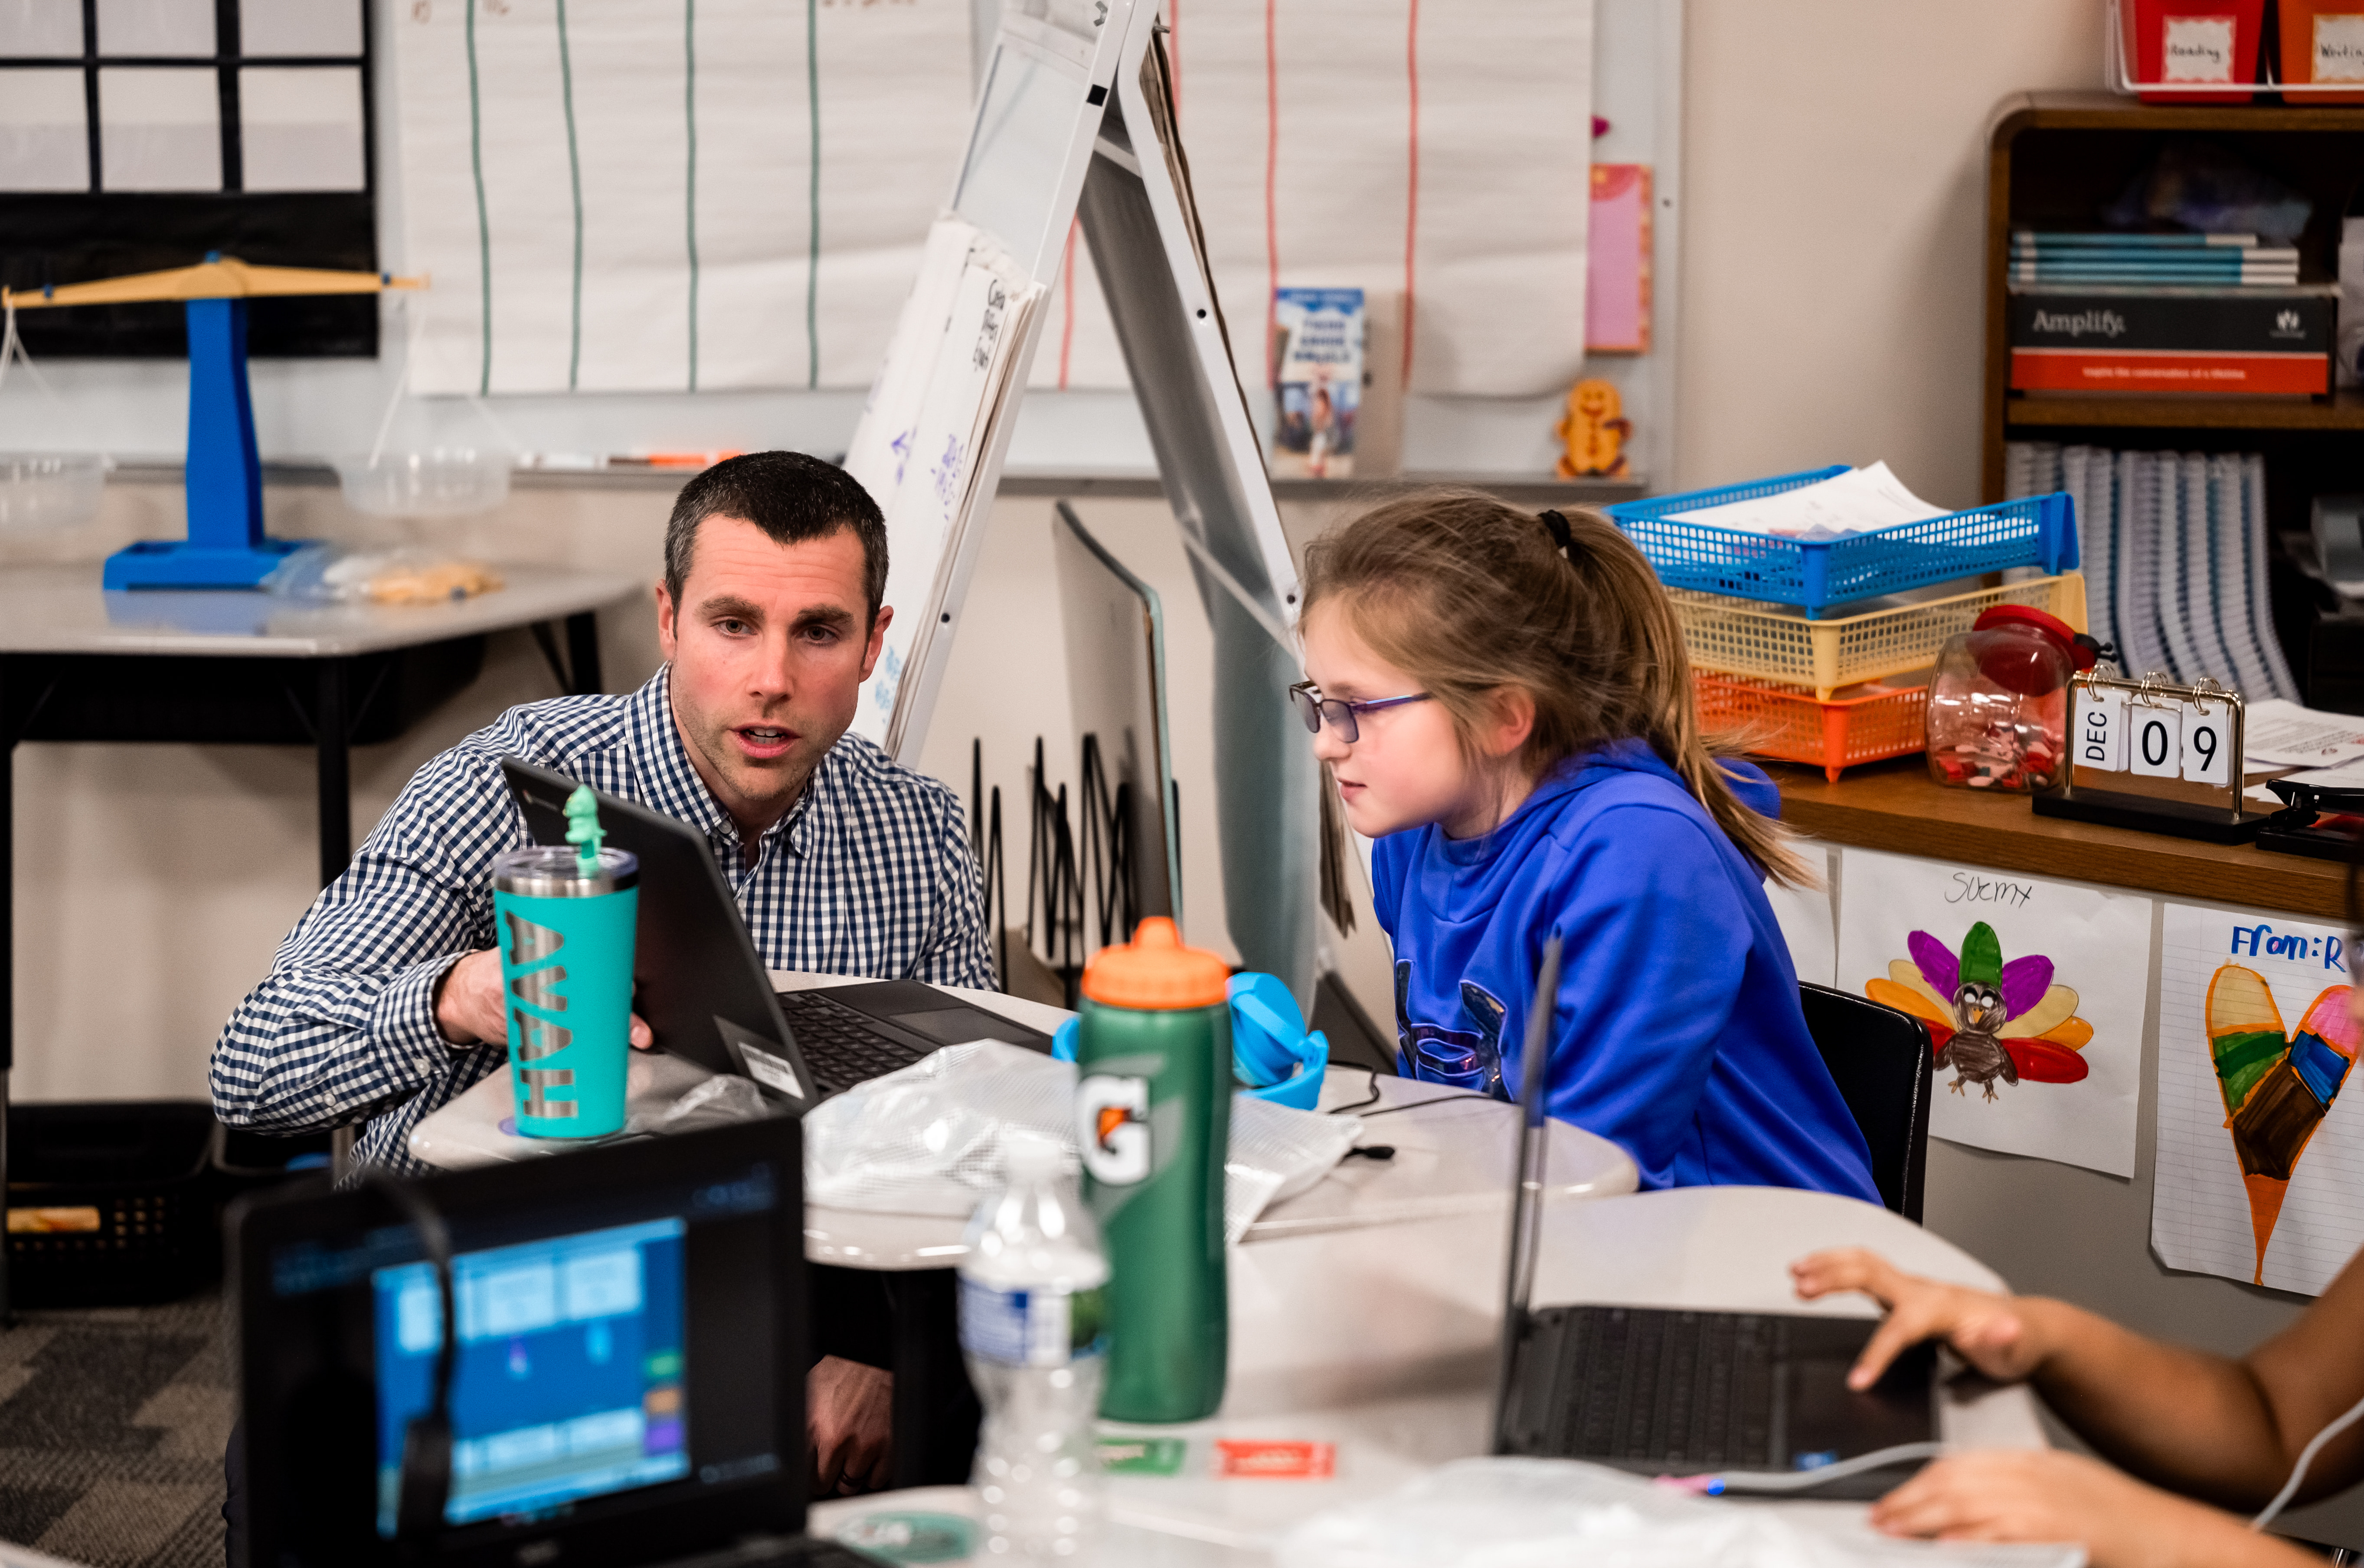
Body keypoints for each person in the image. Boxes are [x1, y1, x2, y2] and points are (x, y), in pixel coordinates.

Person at [210, 449, 991, 1499]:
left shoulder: (919, 830)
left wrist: (887, 1351)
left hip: (770, 1290)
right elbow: (250, 1067)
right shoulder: (504, 782)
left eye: (818, 632)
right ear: (667, 620)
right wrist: (457, 998)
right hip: (491, 1270)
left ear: (872, 644)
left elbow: (980, 1137)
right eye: (731, 624)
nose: (772, 678)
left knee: (977, 1403)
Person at [1292, 492, 1877, 1198]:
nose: (1326, 742)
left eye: (1356, 708)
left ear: (1505, 715)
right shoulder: (1412, 837)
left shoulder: (1637, 855)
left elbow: (1592, 1172)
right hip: (1572, 1227)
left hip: (1761, 1259)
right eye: (1319, 701)